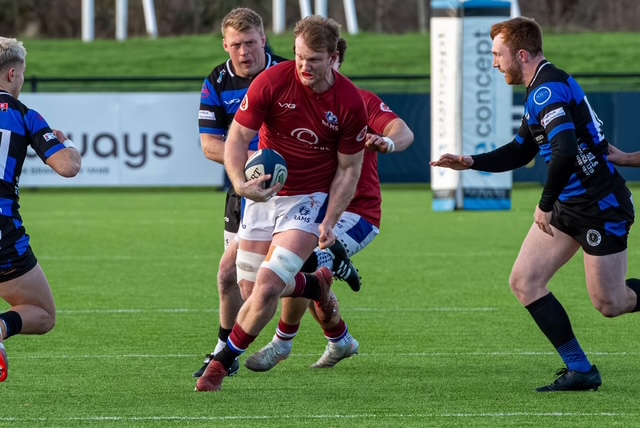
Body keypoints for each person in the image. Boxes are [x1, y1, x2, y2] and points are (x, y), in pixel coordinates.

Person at [431, 16, 640, 392]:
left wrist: (544, 204)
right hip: (569, 204)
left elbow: (565, 151)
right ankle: (580, 369)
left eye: (498, 55)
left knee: (611, 303)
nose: (495, 63)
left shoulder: (547, 91)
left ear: (522, 55)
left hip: (600, 206)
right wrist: (470, 161)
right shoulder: (539, 89)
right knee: (525, 281)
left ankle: (582, 367)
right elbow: (521, 150)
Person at [195, 15, 369, 392]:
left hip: (307, 201)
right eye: (299, 56)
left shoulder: (350, 101)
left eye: (314, 59)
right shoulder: (272, 81)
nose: (304, 66)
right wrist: (241, 184)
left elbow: (349, 169)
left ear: (333, 57)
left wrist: (330, 220)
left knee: (269, 285)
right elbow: (236, 137)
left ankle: (220, 366)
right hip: (262, 195)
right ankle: (315, 287)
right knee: (249, 289)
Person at [244, 38, 414, 372]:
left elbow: (403, 131)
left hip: (357, 213)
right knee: (295, 272)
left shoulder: (357, 101)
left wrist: (387, 141)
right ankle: (340, 339)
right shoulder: (292, 98)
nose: (312, 70)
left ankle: (282, 342)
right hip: (311, 208)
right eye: (304, 59)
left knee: (298, 266)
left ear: (335, 61)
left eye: (321, 61)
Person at [0, 37, 82, 382]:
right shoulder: (24, 115)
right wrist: (66, 142)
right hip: (3, 233)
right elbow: (68, 166)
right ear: (13, 74)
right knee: (42, 314)